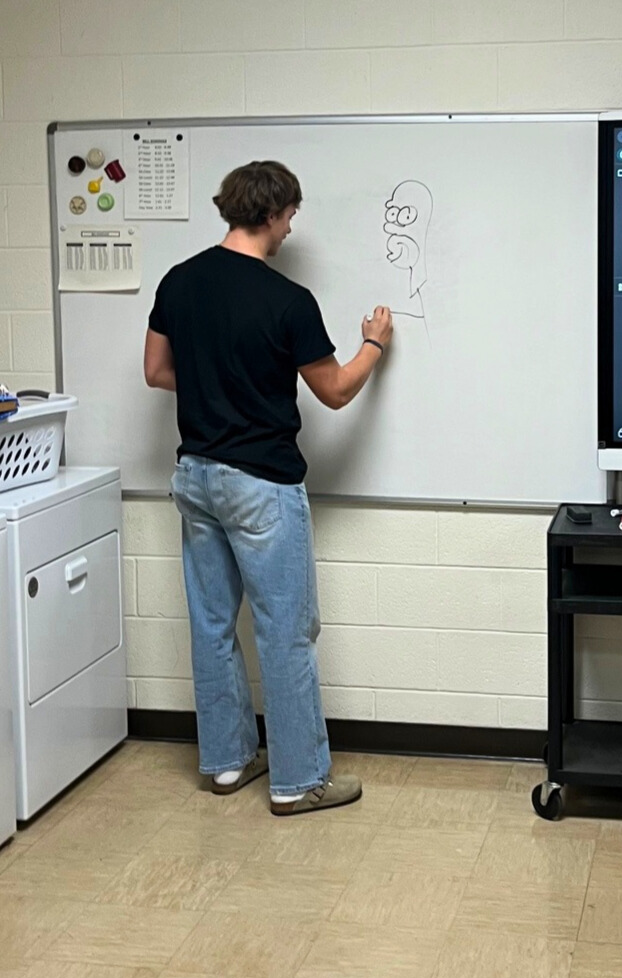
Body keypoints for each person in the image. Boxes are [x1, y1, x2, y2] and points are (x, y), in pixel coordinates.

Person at [144, 160, 393, 815]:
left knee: (211, 624)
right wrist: (372, 345)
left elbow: (156, 371)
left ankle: (226, 765)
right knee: (285, 632)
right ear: (272, 214)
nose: (289, 230)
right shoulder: (287, 301)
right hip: (261, 484)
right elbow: (335, 392)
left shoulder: (179, 281)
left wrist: (214, 388)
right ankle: (297, 781)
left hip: (195, 476)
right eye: (289, 217)